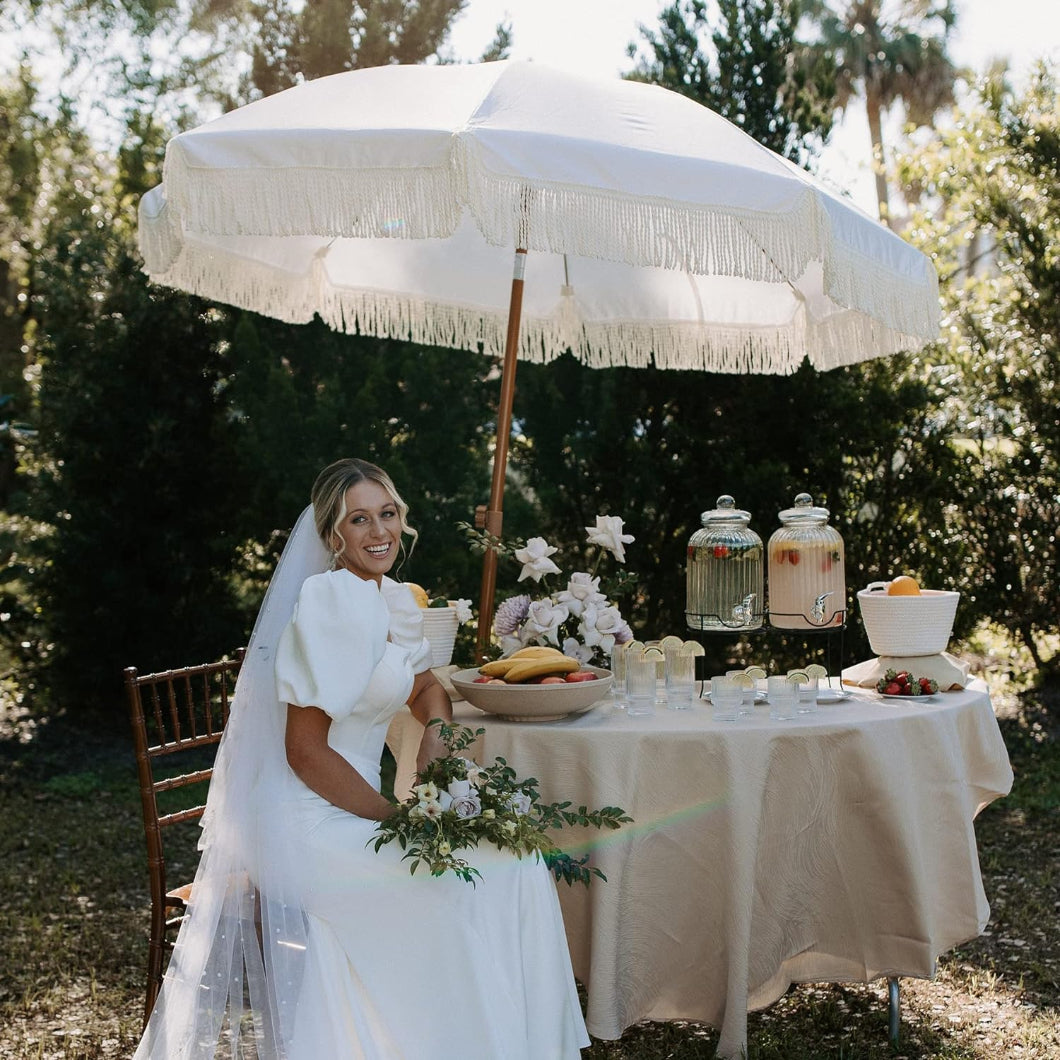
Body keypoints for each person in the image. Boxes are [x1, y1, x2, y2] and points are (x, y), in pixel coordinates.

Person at [133, 458, 589, 1060]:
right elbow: (304, 752)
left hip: (354, 808)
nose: (380, 531)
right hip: (305, 823)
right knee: (458, 889)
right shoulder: (328, 604)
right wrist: (394, 819)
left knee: (518, 861)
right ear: (333, 536)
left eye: (388, 514)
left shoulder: (393, 598)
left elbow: (427, 686)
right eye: (360, 519)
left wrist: (436, 734)